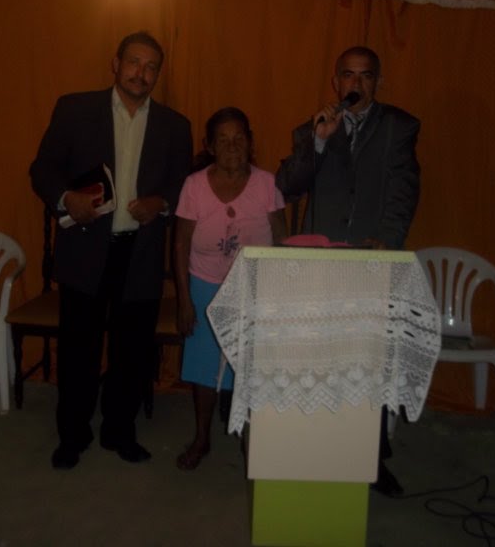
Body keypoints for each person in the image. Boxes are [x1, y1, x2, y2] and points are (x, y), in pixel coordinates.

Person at [29, 31, 192, 470]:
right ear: (116, 63)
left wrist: (162, 202)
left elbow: (182, 184)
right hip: (85, 249)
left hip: (140, 253)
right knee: (78, 350)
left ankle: (120, 431)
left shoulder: (176, 126)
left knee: (132, 352)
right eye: (134, 62)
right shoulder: (75, 109)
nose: (141, 73)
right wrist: (67, 199)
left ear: (158, 74)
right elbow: (43, 169)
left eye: (151, 66)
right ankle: (73, 434)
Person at [275, 45, 421, 495]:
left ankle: (372, 458)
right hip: (321, 262)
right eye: (348, 75)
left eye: (366, 75)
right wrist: (319, 141)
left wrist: (390, 240)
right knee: (321, 355)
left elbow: (404, 190)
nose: (356, 84)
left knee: (369, 360)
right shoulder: (313, 127)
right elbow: (288, 186)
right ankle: (320, 442)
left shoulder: (399, 126)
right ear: (335, 82)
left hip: (372, 260)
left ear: (377, 82)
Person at [174, 107, 287, 470]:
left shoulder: (266, 184)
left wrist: (279, 296)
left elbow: (281, 239)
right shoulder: (194, 186)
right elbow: (180, 244)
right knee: (204, 369)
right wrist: (185, 300)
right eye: (222, 140)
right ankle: (202, 438)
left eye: (239, 138)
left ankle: (252, 440)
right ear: (209, 146)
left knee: (253, 367)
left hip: (255, 290)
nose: (232, 146)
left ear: (250, 142)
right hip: (205, 286)